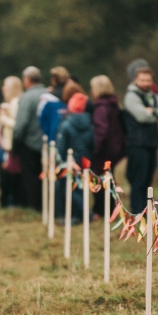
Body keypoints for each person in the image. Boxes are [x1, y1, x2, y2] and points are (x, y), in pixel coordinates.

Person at [122, 59, 158, 215]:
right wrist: (154, 113)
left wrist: (153, 111)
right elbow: (143, 117)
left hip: (151, 144)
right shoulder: (131, 96)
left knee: (147, 182)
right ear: (135, 80)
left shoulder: (153, 96)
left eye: (148, 80)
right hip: (137, 145)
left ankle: (145, 212)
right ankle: (137, 213)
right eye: (142, 80)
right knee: (138, 181)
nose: (146, 83)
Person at [89, 74, 126, 218]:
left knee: (98, 181)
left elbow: (101, 132)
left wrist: (95, 149)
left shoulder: (101, 108)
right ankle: (109, 209)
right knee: (108, 180)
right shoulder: (113, 105)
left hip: (104, 151)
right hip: (114, 149)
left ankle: (101, 210)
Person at [55, 92, 94, 224]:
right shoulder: (89, 124)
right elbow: (92, 143)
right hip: (84, 160)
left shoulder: (66, 124)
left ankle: (84, 213)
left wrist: (60, 160)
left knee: (71, 190)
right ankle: (78, 215)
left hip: (70, 162)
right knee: (81, 189)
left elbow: (61, 146)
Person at [12, 66, 47, 211]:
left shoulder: (27, 97)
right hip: (47, 144)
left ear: (27, 80)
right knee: (45, 177)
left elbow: (21, 123)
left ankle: (35, 207)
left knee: (31, 178)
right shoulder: (48, 94)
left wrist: (16, 141)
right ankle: (47, 206)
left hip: (29, 145)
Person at [0, 76, 23, 208]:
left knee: (11, 176)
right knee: (7, 176)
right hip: (8, 146)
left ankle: (11, 204)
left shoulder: (16, 103)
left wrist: (2, 118)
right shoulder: (11, 104)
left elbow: (17, 125)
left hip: (12, 146)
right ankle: (8, 203)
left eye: (5, 87)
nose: (3, 89)